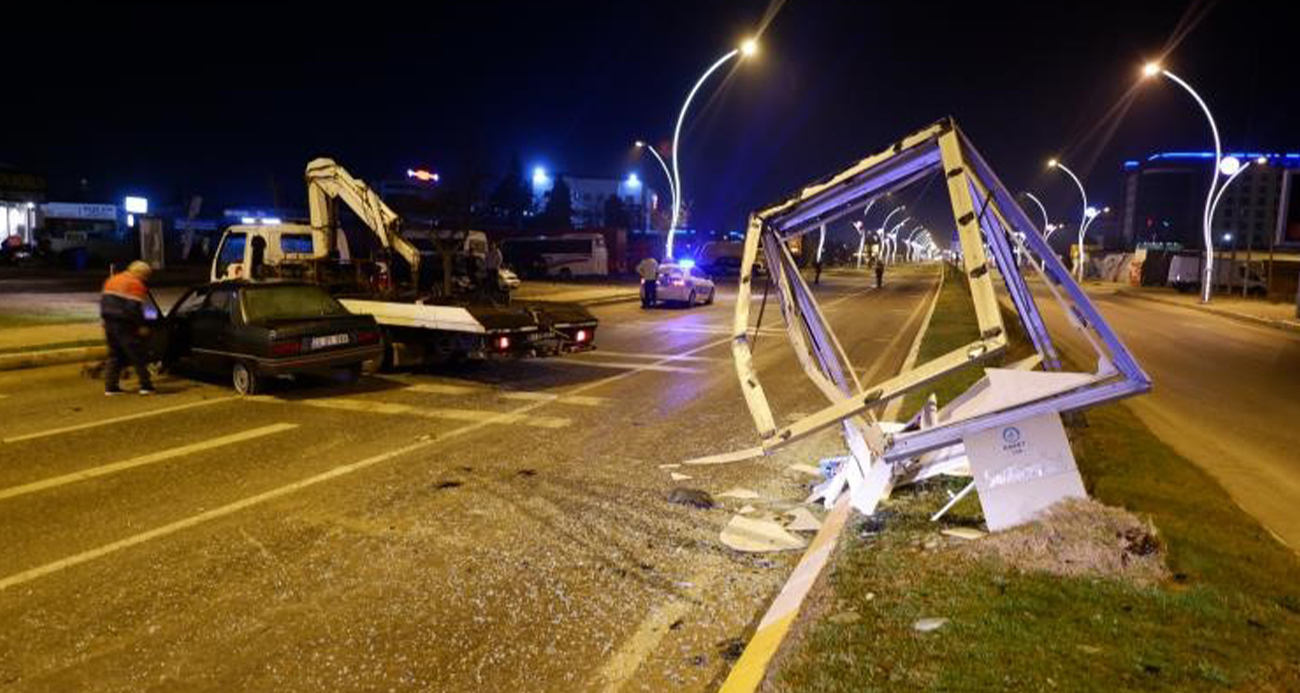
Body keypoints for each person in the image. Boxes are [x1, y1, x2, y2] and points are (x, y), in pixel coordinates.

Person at [101, 261, 155, 395]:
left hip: (109, 322)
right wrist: (141, 325)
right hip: (125, 324)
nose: (145, 279)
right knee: (137, 354)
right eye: (145, 276)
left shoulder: (112, 280)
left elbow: (104, 303)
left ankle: (110, 387)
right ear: (139, 272)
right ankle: (146, 386)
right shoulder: (135, 284)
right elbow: (134, 309)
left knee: (115, 354)